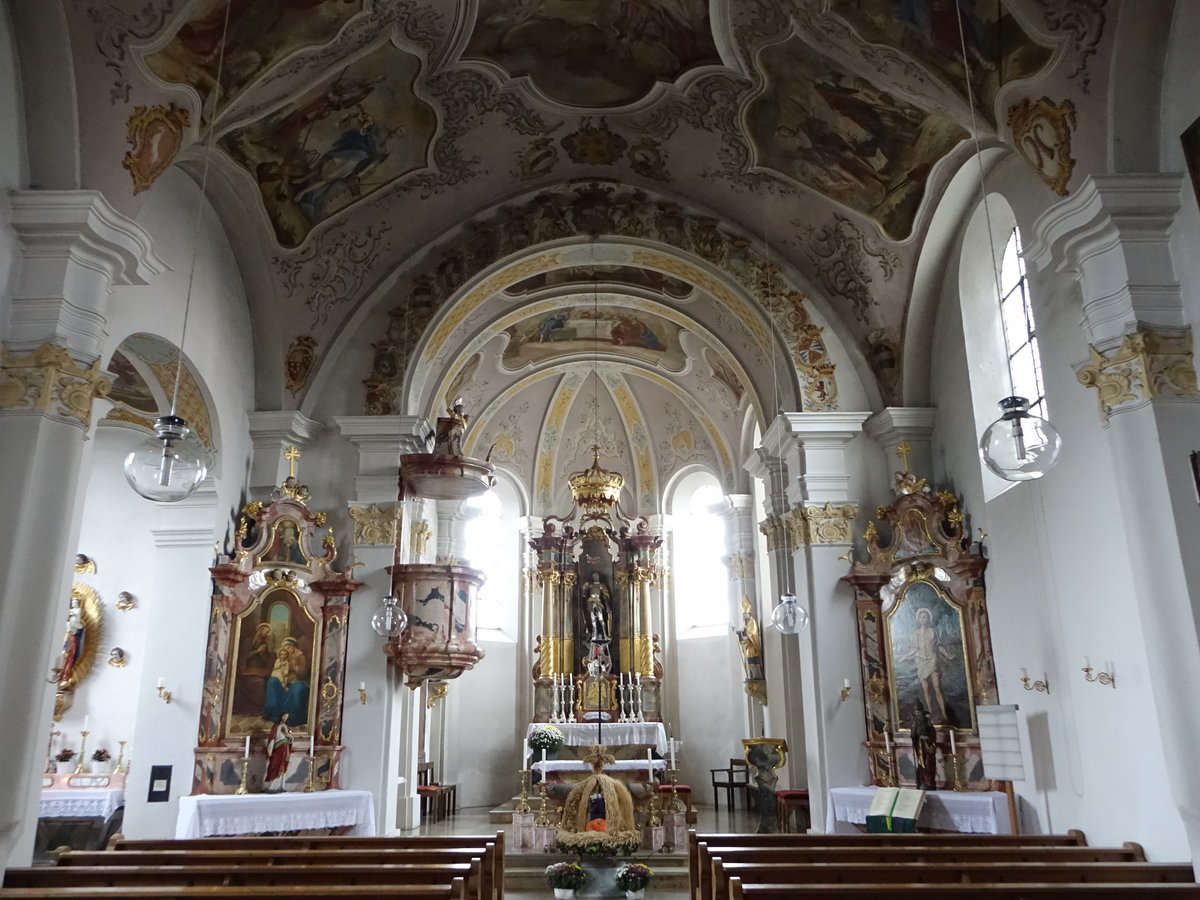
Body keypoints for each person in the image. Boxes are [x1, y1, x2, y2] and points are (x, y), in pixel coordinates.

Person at [898, 606, 953, 723]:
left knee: (937, 687)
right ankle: (930, 713)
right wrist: (903, 656)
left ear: (928, 619)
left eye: (926, 617)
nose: (924, 619)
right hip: (921, 662)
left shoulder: (932, 631)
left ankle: (944, 714)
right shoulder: (915, 634)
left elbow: (938, 646)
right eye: (922, 617)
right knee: (926, 689)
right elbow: (913, 649)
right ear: (918, 619)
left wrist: (947, 655)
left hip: (932, 660)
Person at [908, 697, 937, 790]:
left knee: (928, 764)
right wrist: (914, 735)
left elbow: (933, 734)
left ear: (922, 713)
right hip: (919, 747)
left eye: (919, 713)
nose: (917, 715)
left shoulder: (927, 723)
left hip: (927, 746)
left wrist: (928, 739)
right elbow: (913, 735)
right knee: (921, 765)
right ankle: (922, 782)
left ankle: (929, 782)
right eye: (916, 714)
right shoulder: (915, 724)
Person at [264, 713, 292, 793]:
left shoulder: (285, 726)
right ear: (281, 716)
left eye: (287, 717)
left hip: (284, 747)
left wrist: (290, 738)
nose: (285, 718)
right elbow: (272, 738)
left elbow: (287, 736)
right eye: (284, 716)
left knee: (282, 765)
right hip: (277, 748)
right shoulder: (276, 726)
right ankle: (272, 787)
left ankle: (280, 786)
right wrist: (270, 749)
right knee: (274, 765)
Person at [584, 572, 611, 642]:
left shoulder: (601, 585)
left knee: (601, 620)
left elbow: (606, 595)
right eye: (594, 576)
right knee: (593, 621)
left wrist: (606, 603)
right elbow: (584, 595)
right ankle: (594, 635)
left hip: (598, 602)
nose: (596, 577)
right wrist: (584, 587)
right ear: (593, 577)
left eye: (597, 576)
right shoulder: (590, 585)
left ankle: (605, 635)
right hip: (591, 602)